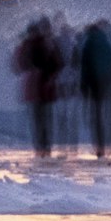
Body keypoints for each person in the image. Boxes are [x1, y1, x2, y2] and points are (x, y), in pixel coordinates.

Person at [11, 15, 68, 164]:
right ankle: (46, 149)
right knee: (46, 120)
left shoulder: (25, 45)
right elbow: (59, 63)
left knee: (36, 121)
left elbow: (17, 66)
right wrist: (51, 78)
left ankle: (39, 150)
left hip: (32, 89)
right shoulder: (49, 44)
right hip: (47, 89)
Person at [76, 15, 111, 160]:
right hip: (109, 83)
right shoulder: (107, 42)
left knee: (97, 116)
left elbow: (85, 68)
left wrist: (84, 87)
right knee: (110, 115)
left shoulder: (88, 45)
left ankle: (100, 147)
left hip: (94, 84)